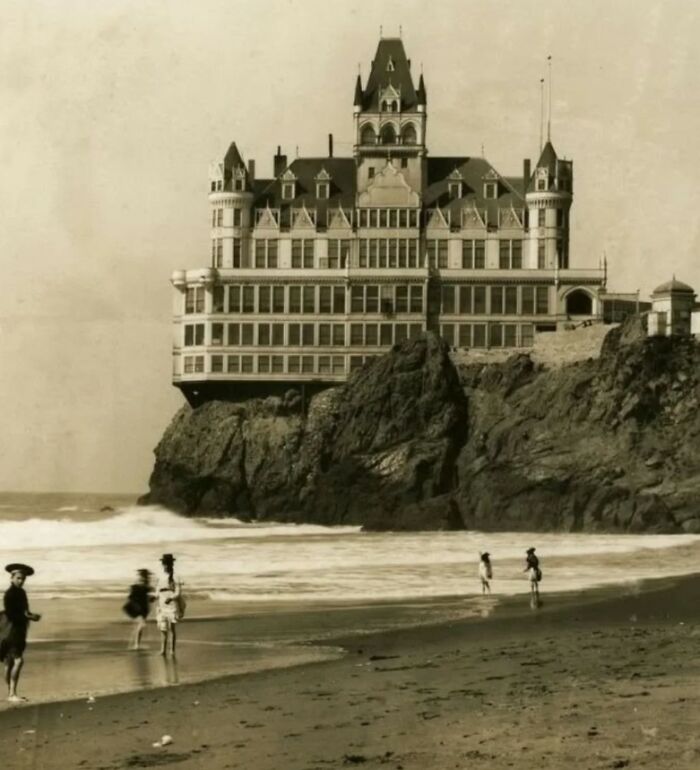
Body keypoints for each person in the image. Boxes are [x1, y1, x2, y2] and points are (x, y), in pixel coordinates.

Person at [0, 563, 41, 703]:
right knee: (17, 661)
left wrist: (32, 616)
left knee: (9, 662)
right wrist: (28, 617)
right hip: (11, 631)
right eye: (18, 578)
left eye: (23, 578)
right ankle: (12, 694)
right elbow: (11, 614)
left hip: (18, 630)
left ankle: (11, 693)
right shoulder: (10, 594)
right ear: (11, 578)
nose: (21, 581)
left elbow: (24, 611)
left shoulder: (21, 593)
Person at [155, 554, 182, 657]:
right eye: (164, 563)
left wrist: (171, 598)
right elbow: (157, 591)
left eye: (167, 563)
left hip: (171, 604)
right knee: (163, 628)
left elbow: (178, 593)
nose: (165, 565)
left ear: (171, 564)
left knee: (171, 628)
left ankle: (172, 650)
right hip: (162, 603)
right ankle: (163, 650)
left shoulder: (176, 576)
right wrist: (154, 597)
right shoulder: (160, 576)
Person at [123, 569, 154, 650]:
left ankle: (136, 644)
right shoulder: (141, 584)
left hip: (143, 606)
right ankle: (136, 644)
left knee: (141, 625)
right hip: (140, 607)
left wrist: (150, 598)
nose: (148, 577)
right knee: (141, 624)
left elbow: (143, 595)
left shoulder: (143, 583)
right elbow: (133, 596)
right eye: (146, 575)